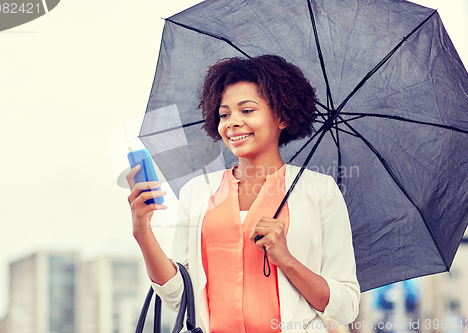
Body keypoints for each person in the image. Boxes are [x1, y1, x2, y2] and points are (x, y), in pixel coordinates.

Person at [127, 55, 360, 333]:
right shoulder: (197, 191)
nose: (232, 122)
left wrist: (285, 259)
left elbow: (346, 306)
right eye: (224, 114)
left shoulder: (318, 192)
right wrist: (142, 231)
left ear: (282, 116)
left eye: (247, 111)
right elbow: (178, 297)